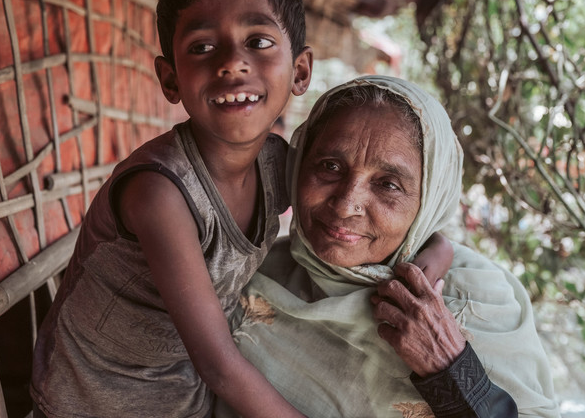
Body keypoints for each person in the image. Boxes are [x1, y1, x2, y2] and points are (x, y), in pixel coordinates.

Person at [30, 0, 450, 418]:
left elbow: (353, 207)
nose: (232, 62)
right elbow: (219, 365)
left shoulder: (276, 166)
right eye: (202, 47)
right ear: (170, 79)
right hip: (90, 400)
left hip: (181, 396)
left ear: (300, 72)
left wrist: (437, 252)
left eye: (259, 41)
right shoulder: (160, 194)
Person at [216, 75, 560, 417]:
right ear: (299, 163)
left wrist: (451, 370)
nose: (346, 204)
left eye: (388, 185)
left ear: (429, 200)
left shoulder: (471, 301)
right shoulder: (252, 271)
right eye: (330, 166)